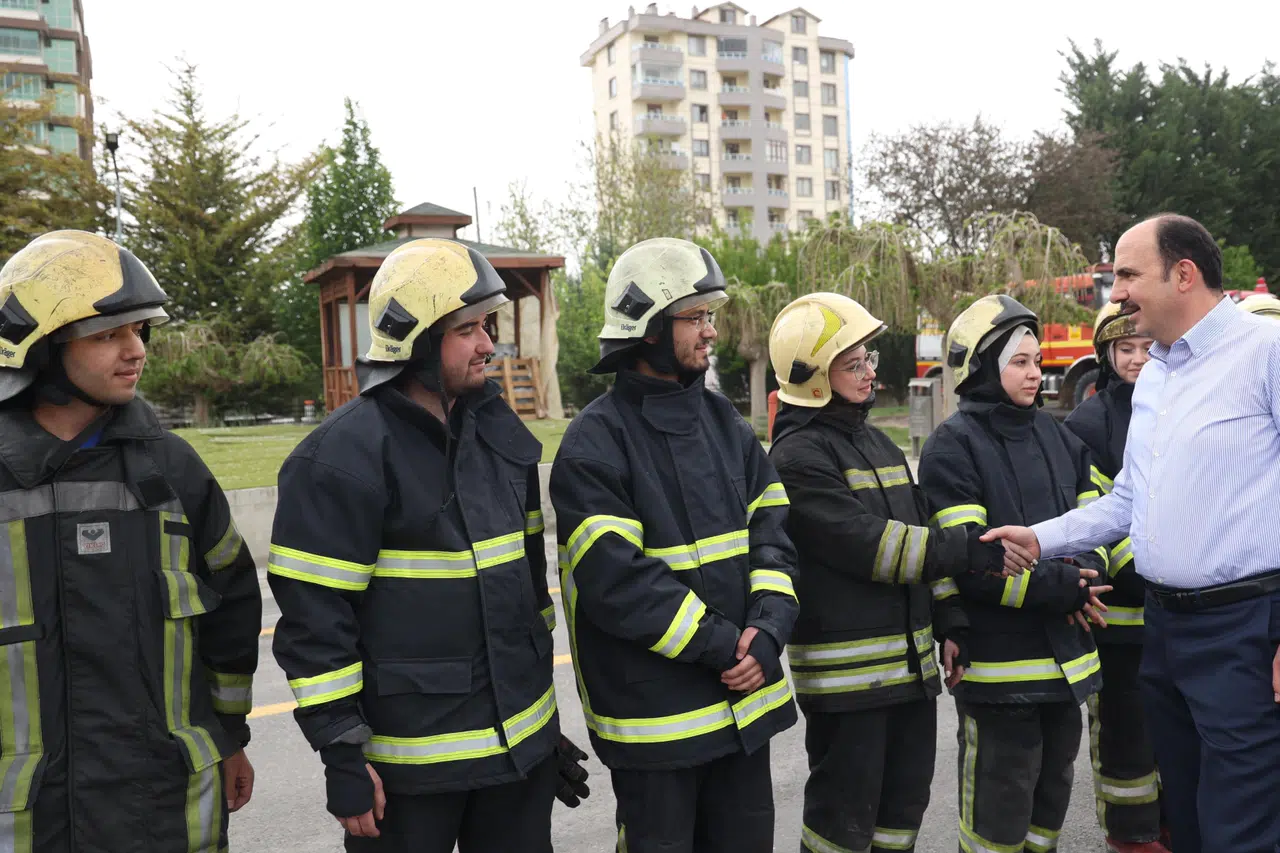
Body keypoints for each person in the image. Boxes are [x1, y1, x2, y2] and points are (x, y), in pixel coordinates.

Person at [268, 239, 587, 853]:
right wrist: (342, 756)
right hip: (407, 779)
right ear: (411, 338)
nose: (489, 344)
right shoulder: (340, 458)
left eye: (487, 325)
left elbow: (527, 598)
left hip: (515, 763)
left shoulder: (498, 434)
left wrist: (539, 732)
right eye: (468, 328)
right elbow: (316, 624)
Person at [981, 214, 1280, 853]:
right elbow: (1127, 500)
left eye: (1126, 274)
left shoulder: (1265, 354)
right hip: (1167, 635)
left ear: (1184, 274)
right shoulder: (1160, 378)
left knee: (1244, 827)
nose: (1115, 293)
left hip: (1246, 629)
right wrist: (1040, 538)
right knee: (1193, 822)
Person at [0, 230, 261, 851]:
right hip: (35, 820)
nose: (134, 350)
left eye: (139, 331)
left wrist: (230, 738)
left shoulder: (174, 472)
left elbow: (232, 613)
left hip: (166, 812)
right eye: (106, 335)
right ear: (38, 350)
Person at [550, 237, 798, 853]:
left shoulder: (724, 423)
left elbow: (774, 533)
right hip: (658, 731)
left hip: (745, 708)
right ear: (647, 326)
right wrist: (724, 646)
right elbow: (617, 581)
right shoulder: (593, 444)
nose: (710, 331)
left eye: (710, 316)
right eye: (695, 317)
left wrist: (767, 634)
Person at [766, 293, 1005, 853]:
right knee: (841, 824)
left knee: (901, 815)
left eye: (868, 358)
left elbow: (919, 528)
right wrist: (970, 549)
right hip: (849, 688)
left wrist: (951, 621)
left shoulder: (877, 443)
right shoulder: (797, 458)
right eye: (854, 363)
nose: (871, 371)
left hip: (910, 675)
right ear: (816, 377)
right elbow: (878, 548)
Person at [916, 294, 1111, 853]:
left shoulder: (1060, 436)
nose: (1036, 372)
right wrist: (1064, 588)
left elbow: (1095, 523)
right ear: (982, 368)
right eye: (1019, 362)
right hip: (1000, 673)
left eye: (1036, 359)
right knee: (996, 822)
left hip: (1065, 665)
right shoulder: (951, 447)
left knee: (1048, 810)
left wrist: (1084, 577)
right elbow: (972, 561)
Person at [1065, 304, 1166, 853]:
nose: (1137, 358)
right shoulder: (1089, 423)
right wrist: (1153, 565)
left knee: (1173, 734)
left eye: (1148, 347)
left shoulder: (1176, 405)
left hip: (1175, 615)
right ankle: (1130, 838)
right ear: (1106, 355)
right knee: (1124, 735)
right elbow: (1099, 512)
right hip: (1120, 622)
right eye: (1125, 349)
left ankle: (1170, 827)